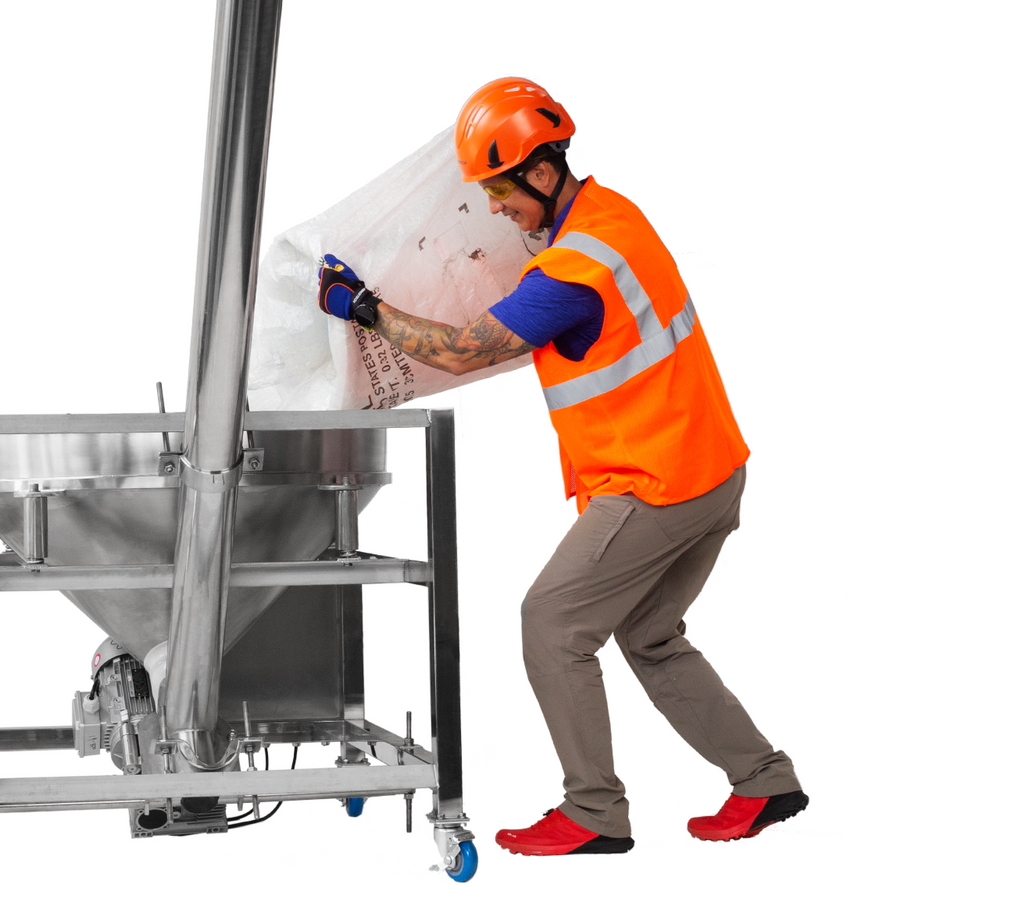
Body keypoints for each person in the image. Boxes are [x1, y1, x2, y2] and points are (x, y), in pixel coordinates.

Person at [317, 78, 806, 856]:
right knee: (649, 634)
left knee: (551, 624)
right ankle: (764, 780)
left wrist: (365, 306)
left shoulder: (573, 272)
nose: (497, 210)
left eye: (502, 192)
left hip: (658, 483)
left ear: (543, 173)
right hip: (710, 467)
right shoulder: (612, 217)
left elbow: (462, 349)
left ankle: (594, 813)